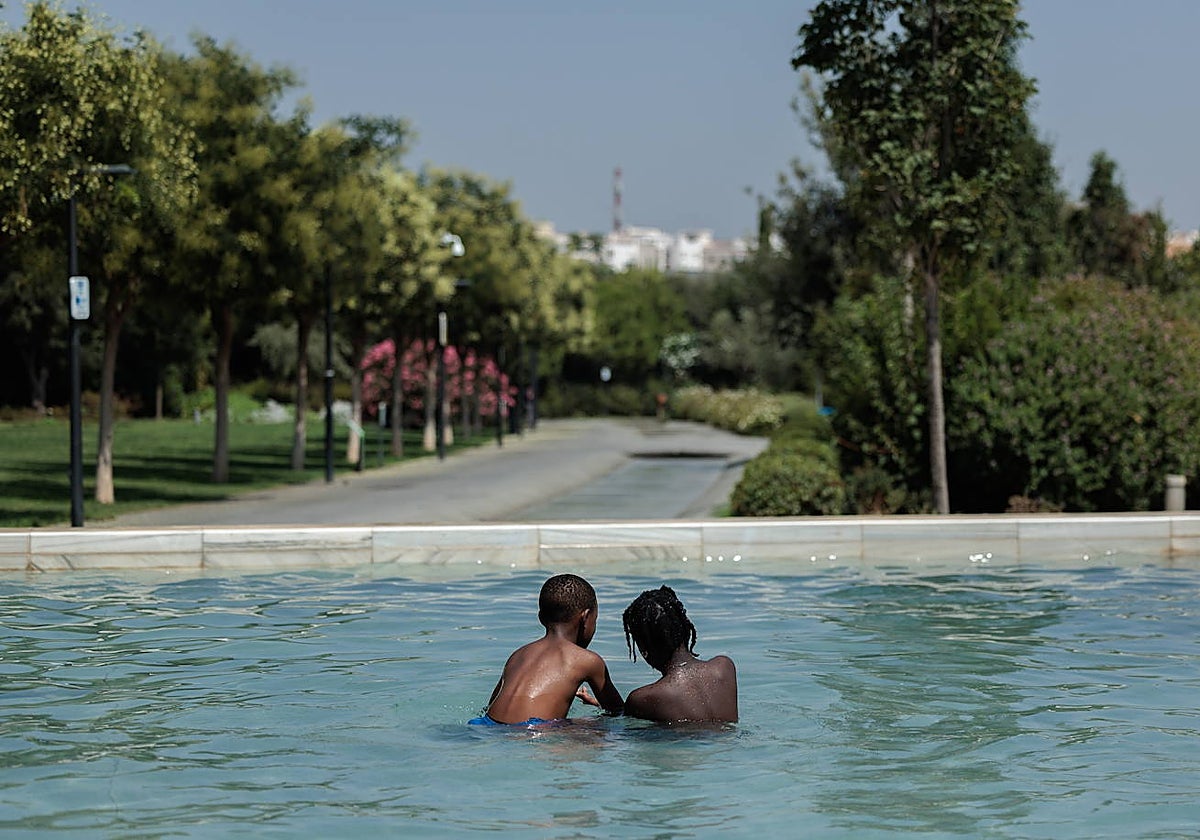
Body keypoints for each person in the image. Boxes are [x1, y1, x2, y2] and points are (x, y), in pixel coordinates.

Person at [472, 573, 624, 726]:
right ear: (585, 617)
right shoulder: (588, 660)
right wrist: (599, 704)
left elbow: (490, 707)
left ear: (540, 617)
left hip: (484, 725)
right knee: (597, 728)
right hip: (533, 731)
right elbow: (619, 712)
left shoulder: (519, 654)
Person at [621, 585, 738, 723]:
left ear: (643, 648)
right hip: (731, 742)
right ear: (685, 628)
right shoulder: (724, 667)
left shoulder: (643, 699)